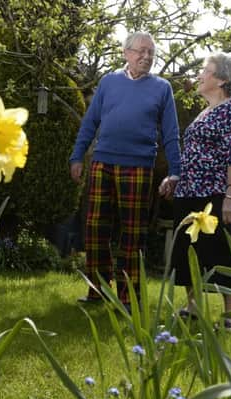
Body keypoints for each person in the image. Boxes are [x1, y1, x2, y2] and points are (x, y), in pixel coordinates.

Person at [70, 31, 181, 310]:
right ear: (126, 53)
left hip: (139, 166)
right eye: (141, 51)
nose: (146, 57)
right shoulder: (108, 82)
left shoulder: (162, 88)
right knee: (95, 229)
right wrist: (77, 156)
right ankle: (97, 291)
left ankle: (129, 297)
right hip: (102, 163)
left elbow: (171, 133)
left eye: (151, 53)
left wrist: (176, 171)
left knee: (133, 234)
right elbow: (90, 122)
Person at [159, 52, 231, 330]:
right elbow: (194, 154)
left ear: (222, 79)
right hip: (188, 191)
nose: (199, 74)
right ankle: (193, 307)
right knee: (188, 251)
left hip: (214, 192)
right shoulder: (204, 111)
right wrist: (175, 177)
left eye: (205, 70)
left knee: (220, 251)